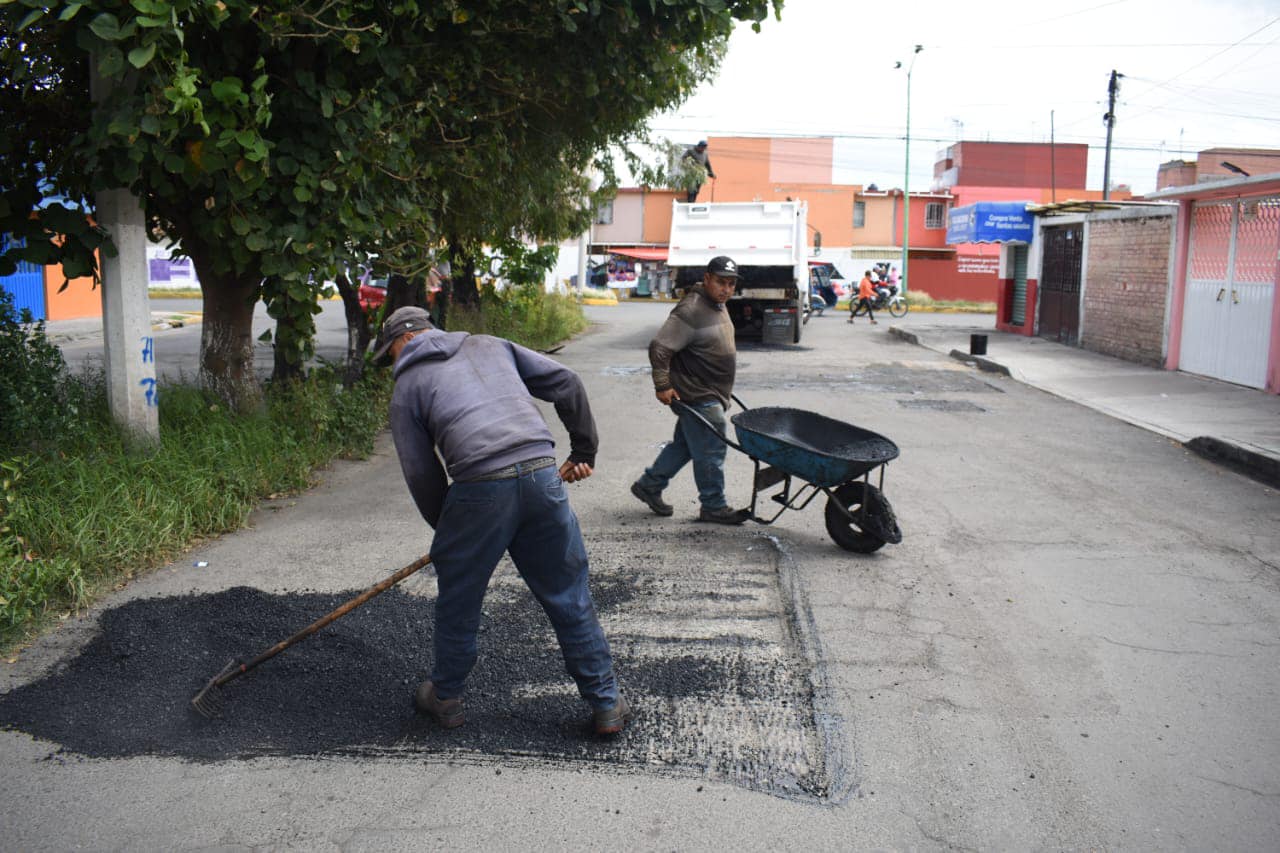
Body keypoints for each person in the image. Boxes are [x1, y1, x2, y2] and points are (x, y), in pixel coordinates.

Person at [377, 306, 630, 736]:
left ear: (401, 341)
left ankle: (447, 698)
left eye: (390, 355)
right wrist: (583, 451)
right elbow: (566, 382)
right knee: (568, 592)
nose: (392, 363)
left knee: (460, 600)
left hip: (479, 487)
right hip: (541, 473)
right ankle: (605, 702)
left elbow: (422, 473)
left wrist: (452, 533)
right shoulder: (489, 345)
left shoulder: (407, 385)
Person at [631, 256, 747, 526]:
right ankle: (713, 506)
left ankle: (649, 485)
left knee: (685, 446)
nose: (726, 289)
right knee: (711, 451)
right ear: (706, 279)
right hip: (698, 395)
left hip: (710, 391)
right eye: (721, 282)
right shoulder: (691, 309)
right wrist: (663, 384)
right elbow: (659, 347)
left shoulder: (716, 305)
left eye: (731, 284)